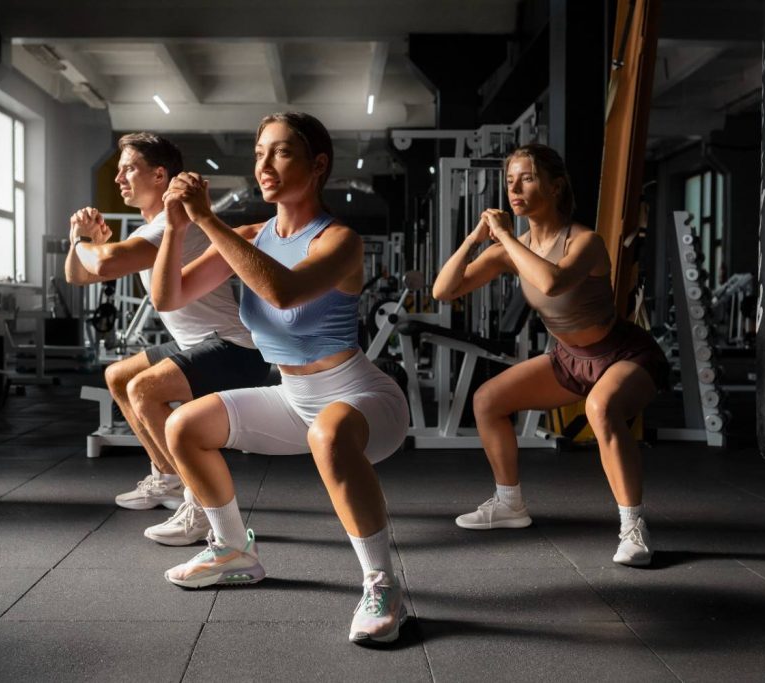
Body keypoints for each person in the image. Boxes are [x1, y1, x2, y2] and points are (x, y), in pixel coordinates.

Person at [153, 112, 410, 645]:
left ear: (318, 165)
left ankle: (382, 586)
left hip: (360, 397)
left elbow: (284, 292)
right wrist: (176, 228)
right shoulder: (249, 235)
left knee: (329, 435)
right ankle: (233, 551)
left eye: (281, 152)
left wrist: (207, 220)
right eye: (259, 153)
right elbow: (168, 297)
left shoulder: (340, 240)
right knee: (184, 427)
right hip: (293, 398)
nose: (264, 164)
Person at [432, 143, 669, 567]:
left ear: (555, 187)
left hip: (622, 354)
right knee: (488, 400)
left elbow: (551, 283)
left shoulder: (585, 242)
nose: (514, 190)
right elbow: (443, 290)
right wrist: (475, 238)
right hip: (570, 358)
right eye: (510, 181)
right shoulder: (511, 249)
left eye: (526, 179)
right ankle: (509, 504)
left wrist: (505, 237)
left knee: (601, 409)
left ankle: (634, 528)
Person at [65, 132, 269, 544]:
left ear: (160, 175)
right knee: (119, 376)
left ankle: (200, 505)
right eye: (119, 170)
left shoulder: (172, 225)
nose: (119, 178)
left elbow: (104, 263)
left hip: (234, 348)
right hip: (199, 343)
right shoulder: (153, 227)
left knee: (144, 389)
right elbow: (78, 275)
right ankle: (167, 479)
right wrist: (79, 241)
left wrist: (88, 241)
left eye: (129, 169)